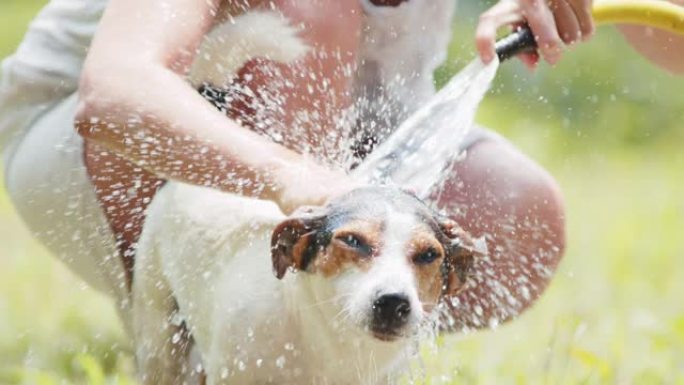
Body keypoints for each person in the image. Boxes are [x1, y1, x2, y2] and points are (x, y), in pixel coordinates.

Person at [0, 0, 679, 335]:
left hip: (346, 138)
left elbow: (666, 38)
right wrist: (294, 178)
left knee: (517, 211)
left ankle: (330, 360)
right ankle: (221, 353)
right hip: (89, 147)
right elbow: (114, 95)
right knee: (316, 9)